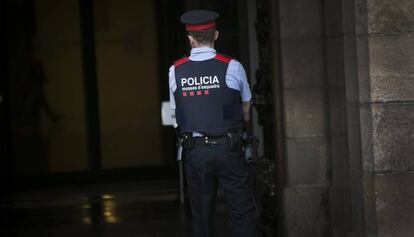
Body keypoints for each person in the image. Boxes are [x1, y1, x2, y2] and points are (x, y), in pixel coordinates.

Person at [168, 10, 257, 237]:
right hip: (230, 148)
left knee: (202, 217)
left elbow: (176, 111)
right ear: (216, 35)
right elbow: (246, 105)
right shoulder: (232, 66)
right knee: (241, 212)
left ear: (190, 38)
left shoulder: (175, 70)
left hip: (195, 151)